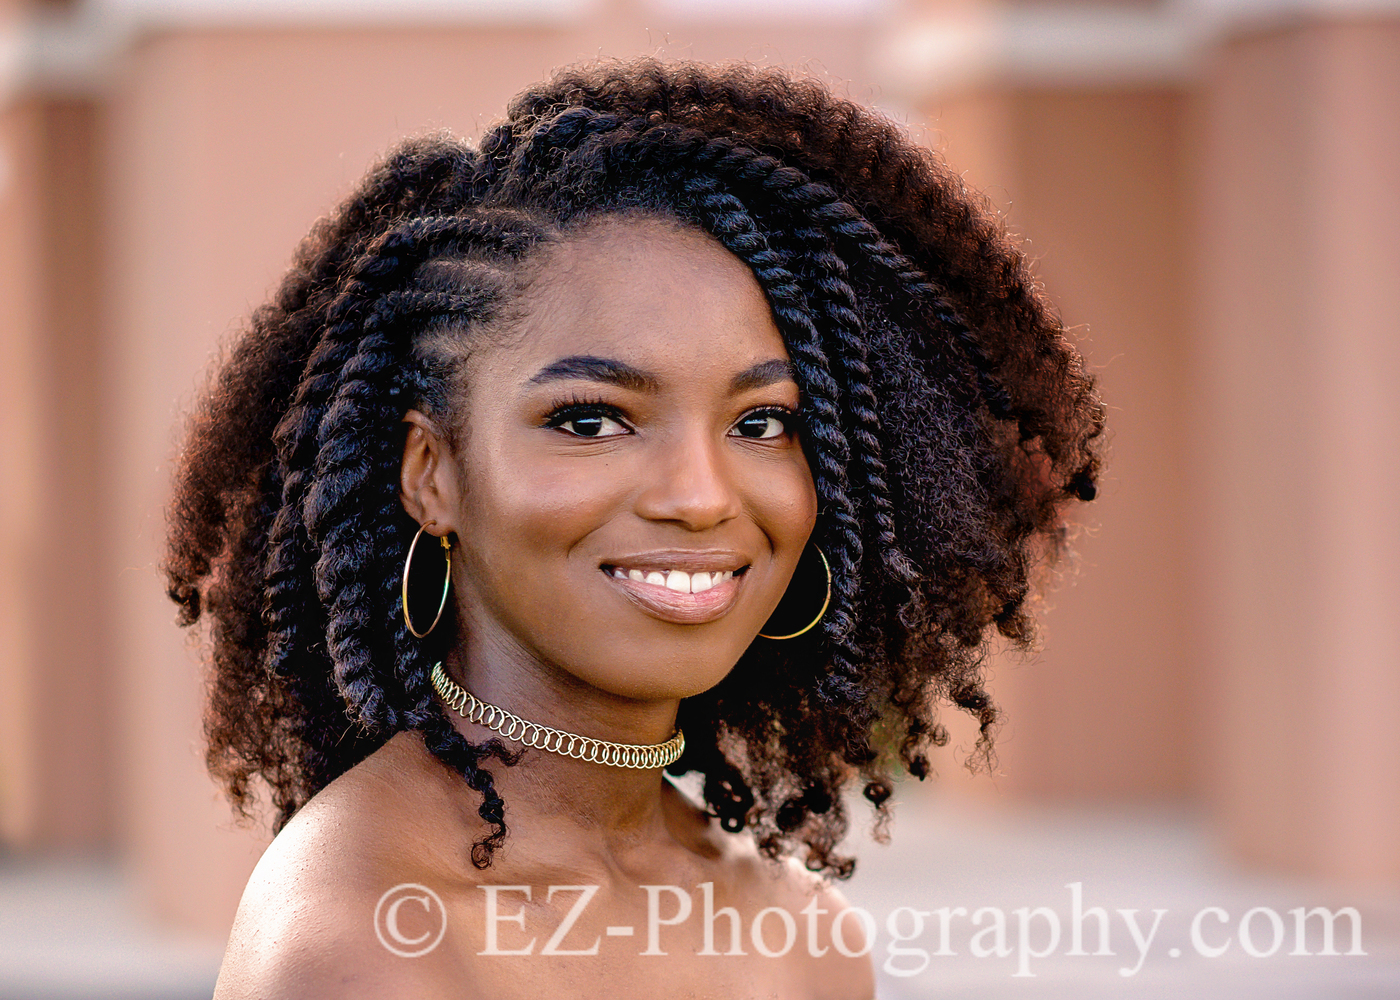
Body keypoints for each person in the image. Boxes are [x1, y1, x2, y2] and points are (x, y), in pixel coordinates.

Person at [165, 59, 1104, 999]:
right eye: (590, 419)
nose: (700, 497)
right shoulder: (371, 946)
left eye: (762, 423)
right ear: (432, 476)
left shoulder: (804, 936)